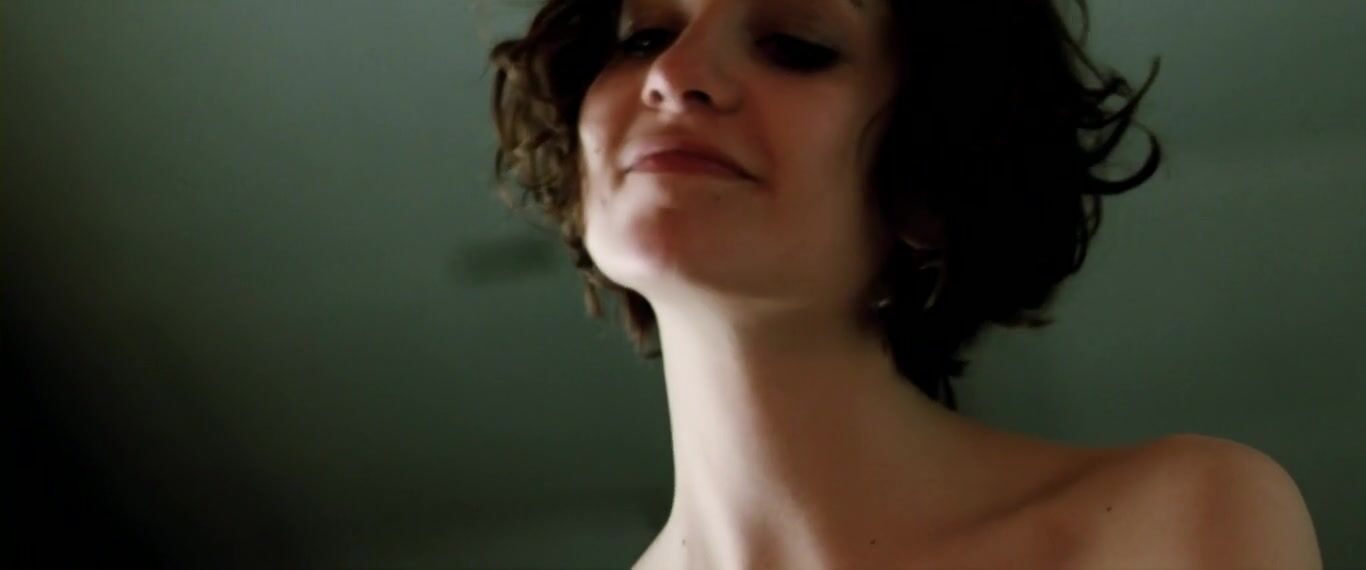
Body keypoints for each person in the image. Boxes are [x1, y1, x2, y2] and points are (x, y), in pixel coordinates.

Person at [487, 0, 1322, 567]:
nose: (674, 73)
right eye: (642, 37)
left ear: (932, 180)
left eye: (795, 44)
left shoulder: (1176, 523)